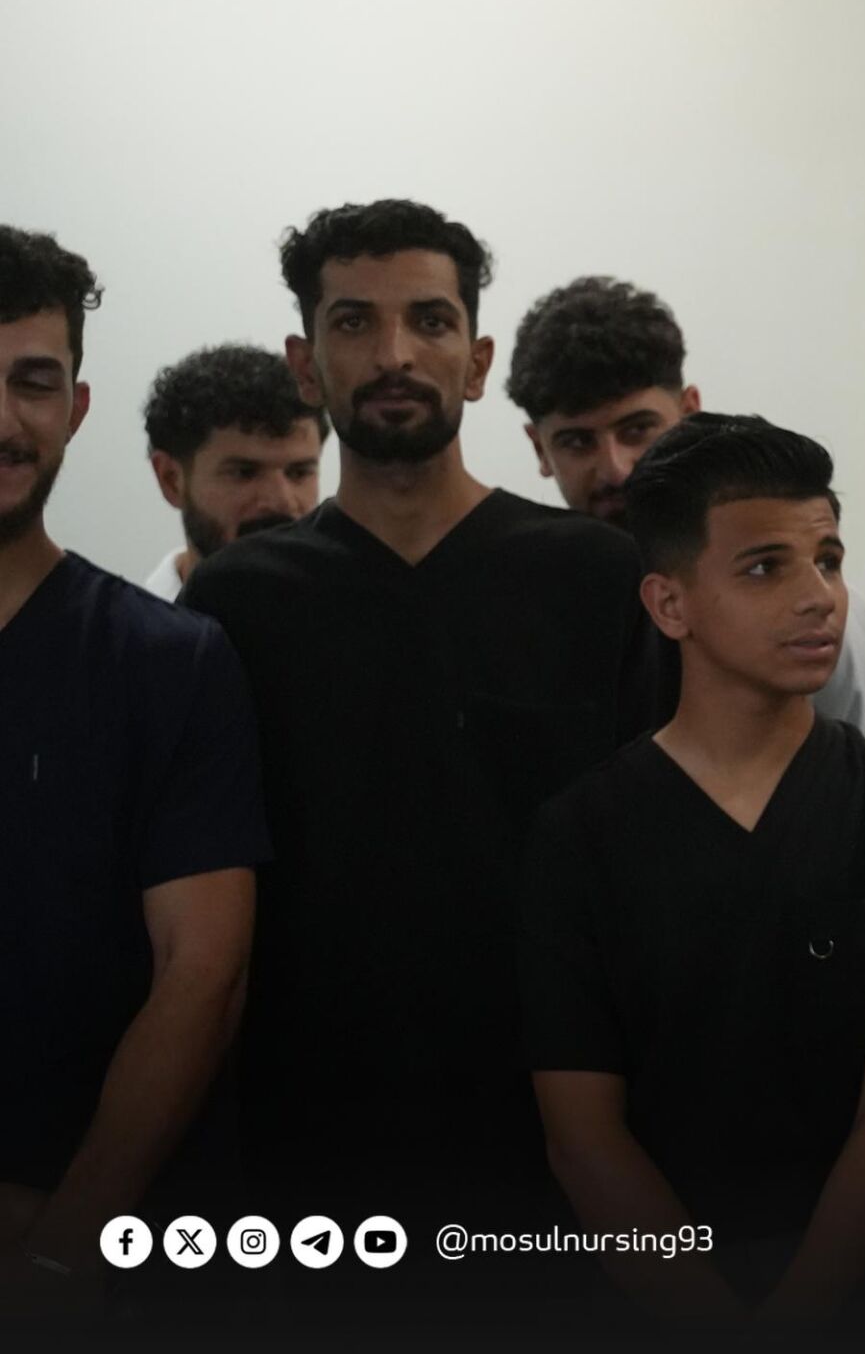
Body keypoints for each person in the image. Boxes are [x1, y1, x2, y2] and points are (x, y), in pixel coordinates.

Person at [179, 200, 663, 1254]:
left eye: (431, 321)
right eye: (353, 322)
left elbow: (658, 880)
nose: (394, 354)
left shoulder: (599, 581)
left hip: (559, 1145)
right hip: (304, 1152)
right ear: (306, 365)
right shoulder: (235, 605)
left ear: (478, 362)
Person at [522, 414, 865, 1325]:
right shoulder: (581, 837)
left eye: (829, 560)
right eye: (766, 568)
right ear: (670, 604)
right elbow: (584, 1138)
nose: (819, 597)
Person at [0, 227, 260, 1315]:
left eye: (32, 382)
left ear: (76, 406)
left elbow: (202, 971)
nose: (4, 420)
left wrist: (61, 1247)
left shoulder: (167, 661)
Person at [508, 276, 865, 755]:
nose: (615, 469)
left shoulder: (821, 622)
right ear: (539, 448)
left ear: (689, 410)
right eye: (578, 442)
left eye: (637, 429)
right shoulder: (534, 617)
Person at [139, 343, 326, 597]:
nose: (282, 501)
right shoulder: (116, 623)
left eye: (299, 473)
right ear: (171, 480)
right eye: (244, 473)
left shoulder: (367, 615)